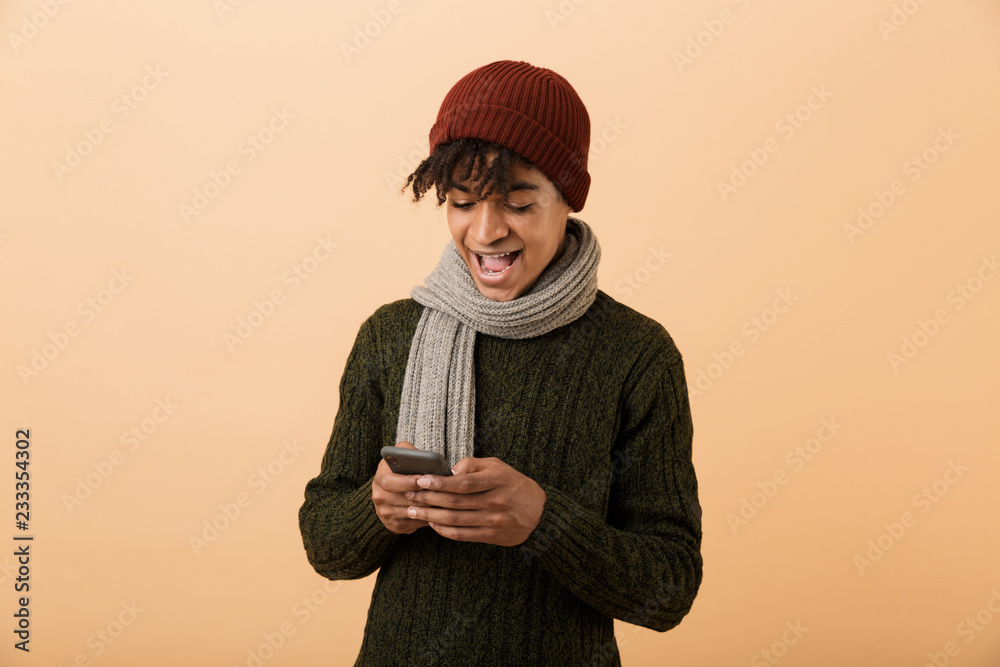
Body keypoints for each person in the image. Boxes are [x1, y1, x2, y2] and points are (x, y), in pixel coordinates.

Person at [298, 59, 703, 666]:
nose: (485, 231)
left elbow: (669, 588)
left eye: (517, 203)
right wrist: (377, 509)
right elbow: (327, 548)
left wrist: (544, 520)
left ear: (567, 198)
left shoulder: (636, 354)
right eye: (462, 202)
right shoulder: (392, 335)